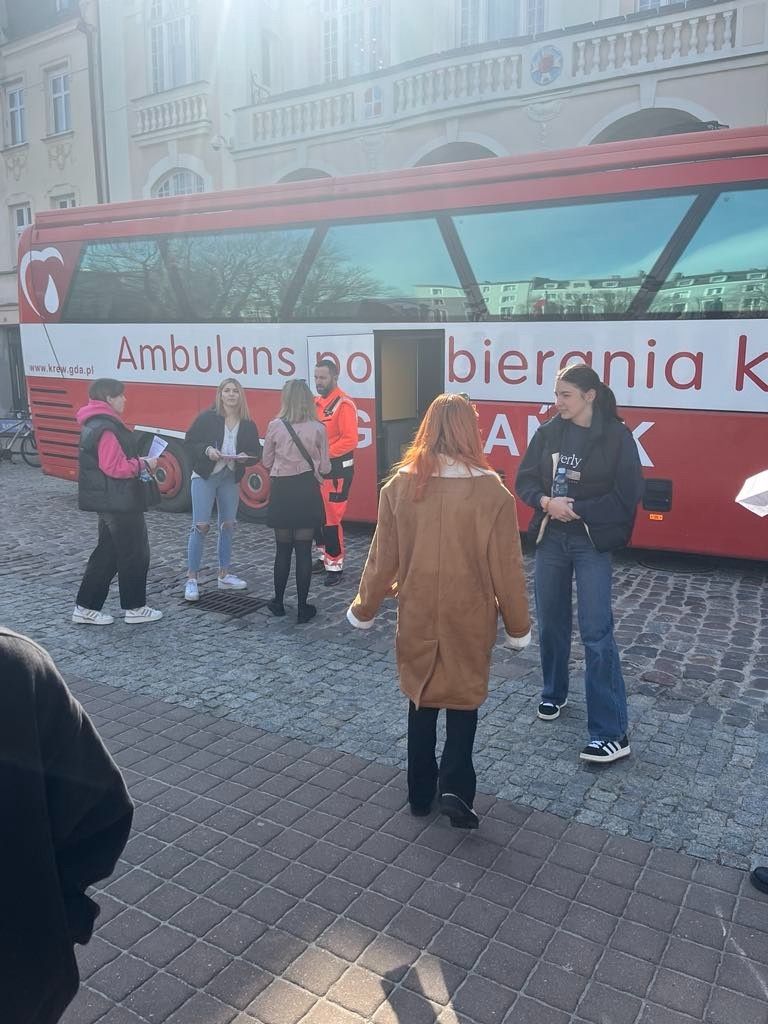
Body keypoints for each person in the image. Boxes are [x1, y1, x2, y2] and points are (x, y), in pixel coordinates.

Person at [347, 394, 531, 829]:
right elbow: (507, 567)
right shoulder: (492, 492)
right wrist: (518, 626)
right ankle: (455, 787)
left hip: (418, 611)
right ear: (471, 430)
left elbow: (381, 558)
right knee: (464, 703)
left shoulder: (399, 486)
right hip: (470, 614)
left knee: (421, 699)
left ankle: (419, 793)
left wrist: (365, 607)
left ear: (426, 427)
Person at [0, 627, 133, 1024]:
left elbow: (102, 808)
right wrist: (53, 923)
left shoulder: (17, 667)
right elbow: (102, 811)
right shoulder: (16, 665)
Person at [515, 362, 644, 764]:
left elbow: (628, 496)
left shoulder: (618, 438)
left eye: (565, 395)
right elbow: (524, 481)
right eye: (556, 395)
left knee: (596, 632)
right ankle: (554, 692)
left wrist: (579, 508)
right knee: (551, 622)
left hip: (591, 545)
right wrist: (546, 502)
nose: (557, 403)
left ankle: (610, 732)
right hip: (551, 540)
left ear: (589, 396)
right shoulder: (549, 431)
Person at [73, 378, 162, 625]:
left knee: (108, 554)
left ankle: (86, 607)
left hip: (108, 499)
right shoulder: (107, 427)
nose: (125, 399)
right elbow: (114, 467)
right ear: (108, 398)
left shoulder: (95, 423)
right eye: (121, 395)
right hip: (119, 499)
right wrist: (144, 463)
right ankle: (135, 608)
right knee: (135, 552)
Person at [183, 378, 262, 601]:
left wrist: (246, 457)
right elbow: (190, 442)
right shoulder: (207, 418)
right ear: (220, 394)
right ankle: (191, 579)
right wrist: (207, 449)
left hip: (230, 476)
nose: (231, 395)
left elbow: (256, 451)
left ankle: (224, 574)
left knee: (228, 525)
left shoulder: (248, 423)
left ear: (240, 396)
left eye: (235, 391)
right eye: (227, 391)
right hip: (205, 475)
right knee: (201, 526)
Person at [261, 380, 330, 623]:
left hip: (282, 490)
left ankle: (278, 602)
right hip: (306, 490)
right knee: (303, 551)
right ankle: (303, 607)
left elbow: (266, 461)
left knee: (282, 551)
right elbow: (325, 466)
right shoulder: (318, 428)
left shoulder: (274, 426)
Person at [313, 358, 358, 586]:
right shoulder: (315, 403)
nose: (318, 382)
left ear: (334, 377)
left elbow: (350, 440)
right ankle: (324, 557)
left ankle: (335, 565)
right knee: (317, 518)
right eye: (316, 377)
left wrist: (323, 454)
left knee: (331, 520)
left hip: (337, 473)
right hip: (320, 472)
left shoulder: (344, 404)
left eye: (323, 377)